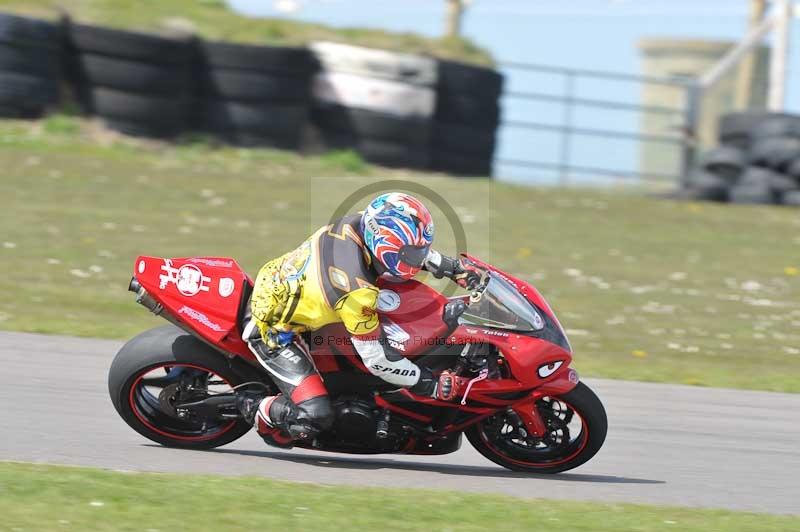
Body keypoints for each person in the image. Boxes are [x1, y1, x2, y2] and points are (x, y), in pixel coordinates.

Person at [237, 192, 480, 447]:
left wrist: (453, 268)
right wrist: (427, 383)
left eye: (419, 250)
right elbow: (378, 360)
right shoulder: (357, 292)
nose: (417, 257)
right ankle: (256, 408)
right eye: (411, 253)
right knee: (315, 415)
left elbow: (400, 250)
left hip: (287, 287)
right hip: (272, 328)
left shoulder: (357, 224)